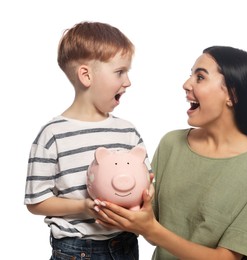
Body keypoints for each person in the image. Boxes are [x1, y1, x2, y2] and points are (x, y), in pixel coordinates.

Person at [95, 46, 247, 260]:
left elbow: (226, 259)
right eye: (191, 76)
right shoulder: (172, 144)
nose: (186, 85)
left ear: (232, 94)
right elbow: (147, 221)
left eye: (200, 77)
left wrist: (151, 230)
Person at [24, 21, 152, 260]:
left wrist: (148, 191)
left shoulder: (127, 131)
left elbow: (146, 178)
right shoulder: (52, 135)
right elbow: (36, 201)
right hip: (76, 249)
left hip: (125, 244)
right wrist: (83, 207)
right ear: (86, 75)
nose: (128, 81)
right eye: (120, 72)